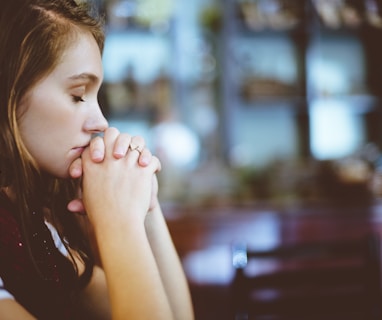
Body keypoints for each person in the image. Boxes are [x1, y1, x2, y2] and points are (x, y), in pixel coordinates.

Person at [0, 0, 194, 319]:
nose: (101, 123)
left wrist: (145, 206)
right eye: (78, 95)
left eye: (96, 96)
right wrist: (118, 223)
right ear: (9, 90)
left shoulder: (34, 228)